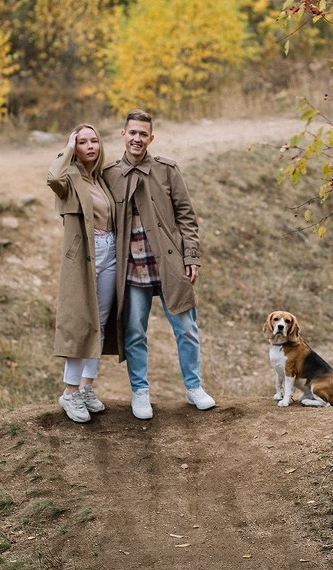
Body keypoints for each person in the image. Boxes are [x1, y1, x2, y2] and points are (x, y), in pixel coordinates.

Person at [102, 109, 215, 420]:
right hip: (130, 268)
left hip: (168, 264)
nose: (137, 138)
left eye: (143, 134)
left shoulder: (167, 170)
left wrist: (191, 257)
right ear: (122, 134)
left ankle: (194, 387)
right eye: (132, 132)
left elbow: (187, 217)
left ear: (150, 138)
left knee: (186, 329)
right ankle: (140, 392)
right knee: (134, 333)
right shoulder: (108, 173)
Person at [47, 124, 118, 423]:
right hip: (83, 257)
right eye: (82, 142)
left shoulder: (100, 179)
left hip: (109, 251)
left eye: (94, 141)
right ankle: (69, 392)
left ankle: (86, 387)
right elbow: (53, 177)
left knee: (99, 323)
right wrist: (67, 145)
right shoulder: (70, 178)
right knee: (80, 323)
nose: (90, 146)